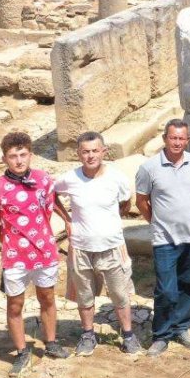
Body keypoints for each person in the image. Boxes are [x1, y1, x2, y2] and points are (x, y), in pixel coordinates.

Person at [0, 131, 65, 375]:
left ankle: (51, 343)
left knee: (47, 298)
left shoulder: (44, 179)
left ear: (30, 154)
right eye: (13, 156)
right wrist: (10, 240)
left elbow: (47, 211)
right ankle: (21, 351)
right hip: (15, 256)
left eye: (23, 154)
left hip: (45, 252)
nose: (18, 160)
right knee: (15, 304)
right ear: (4, 158)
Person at [52, 131, 141, 357]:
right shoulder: (70, 178)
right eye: (85, 152)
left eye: (94, 151)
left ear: (104, 151)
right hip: (81, 247)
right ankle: (88, 334)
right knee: (84, 295)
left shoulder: (117, 177)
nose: (90, 156)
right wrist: (66, 218)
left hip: (112, 246)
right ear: (78, 154)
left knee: (120, 294)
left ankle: (128, 334)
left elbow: (125, 202)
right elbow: (50, 194)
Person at [135, 119, 190, 357]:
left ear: (188, 140)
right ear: (165, 138)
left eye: (181, 138)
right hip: (164, 238)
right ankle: (161, 334)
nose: (177, 142)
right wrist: (157, 222)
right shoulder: (149, 168)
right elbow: (141, 201)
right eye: (173, 137)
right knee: (166, 289)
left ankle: (181, 327)